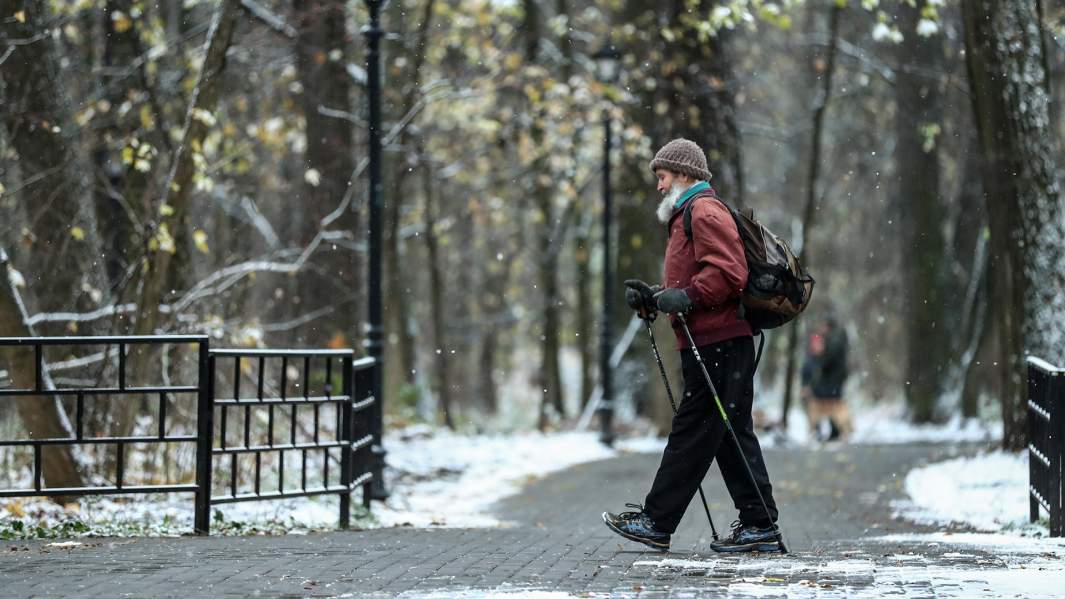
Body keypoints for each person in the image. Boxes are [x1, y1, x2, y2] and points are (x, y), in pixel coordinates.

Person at [601, 138, 782, 553]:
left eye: (663, 176)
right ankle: (760, 524)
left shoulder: (703, 210)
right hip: (715, 341)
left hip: (719, 343)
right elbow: (698, 280)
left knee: (694, 430)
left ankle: (656, 521)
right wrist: (655, 297)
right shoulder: (688, 214)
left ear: (684, 174)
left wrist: (686, 296)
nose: (659, 186)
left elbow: (729, 274)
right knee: (728, 434)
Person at [801, 316, 852, 442]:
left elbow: (828, 358)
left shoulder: (834, 339)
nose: (821, 328)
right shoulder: (836, 338)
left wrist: (819, 356)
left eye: (823, 326)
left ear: (828, 326)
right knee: (831, 405)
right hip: (833, 378)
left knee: (830, 405)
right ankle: (834, 431)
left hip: (832, 379)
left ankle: (832, 431)